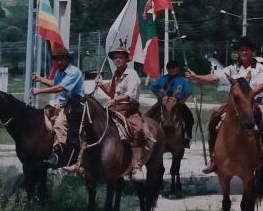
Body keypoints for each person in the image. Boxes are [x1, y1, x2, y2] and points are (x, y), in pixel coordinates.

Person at [185, 36, 263, 173]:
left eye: (247, 50)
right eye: (241, 50)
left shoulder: (260, 68)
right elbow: (215, 78)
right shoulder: (232, 68)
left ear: (252, 52)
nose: (244, 52)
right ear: (238, 52)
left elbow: (260, 87)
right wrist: (197, 77)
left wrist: (246, 96)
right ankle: (214, 157)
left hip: (254, 103)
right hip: (234, 105)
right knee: (213, 121)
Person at [72, 45, 152, 181]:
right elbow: (111, 92)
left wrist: (115, 100)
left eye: (121, 58)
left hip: (129, 110)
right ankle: (81, 162)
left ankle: (136, 166)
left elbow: (130, 94)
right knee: (91, 127)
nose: (118, 60)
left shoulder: (132, 74)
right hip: (115, 110)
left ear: (127, 60)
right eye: (115, 58)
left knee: (138, 130)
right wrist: (101, 84)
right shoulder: (116, 75)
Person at [31, 46, 85, 169]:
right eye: (57, 60)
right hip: (62, 102)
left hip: (75, 103)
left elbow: (60, 87)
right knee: (44, 116)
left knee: (59, 123)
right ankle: (49, 143)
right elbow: (55, 83)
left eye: (62, 59)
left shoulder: (74, 72)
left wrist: (39, 91)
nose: (59, 62)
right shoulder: (60, 72)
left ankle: (58, 152)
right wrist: (40, 79)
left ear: (68, 60)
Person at [150, 60, 194, 148]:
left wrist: (183, 100)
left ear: (177, 69)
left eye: (173, 68)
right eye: (169, 68)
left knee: (189, 118)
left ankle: (187, 138)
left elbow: (189, 91)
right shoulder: (163, 78)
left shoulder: (183, 80)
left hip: (177, 102)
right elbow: (153, 87)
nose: (171, 70)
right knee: (149, 115)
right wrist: (158, 97)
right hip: (164, 102)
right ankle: (149, 137)